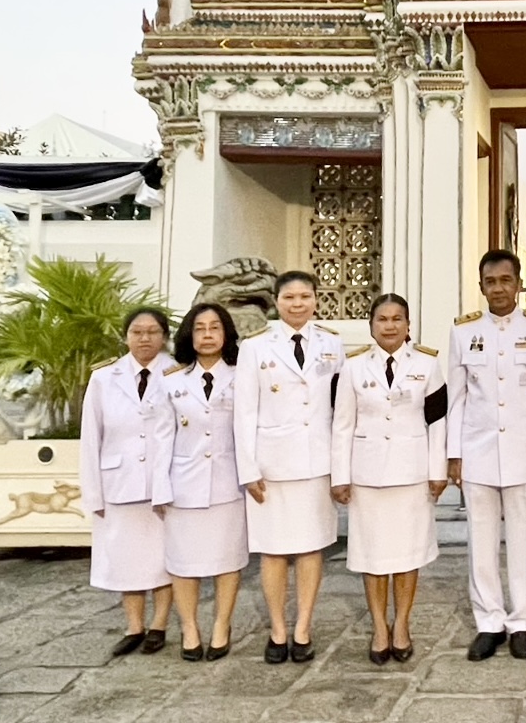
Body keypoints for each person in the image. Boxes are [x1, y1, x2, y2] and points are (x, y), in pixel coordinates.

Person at [234, 270, 346, 664]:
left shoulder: (333, 343)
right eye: (289, 298)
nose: (297, 304)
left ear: (316, 299)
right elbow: (244, 411)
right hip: (272, 465)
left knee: (312, 548)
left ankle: (303, 628)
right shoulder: (256, 346)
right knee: (274, 552)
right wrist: (247, 468)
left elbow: (341, 409)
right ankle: (278, 629)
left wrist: (342, 467)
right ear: (276, 302)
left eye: (305, 297)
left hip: (318, 462)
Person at [447, 250, 526, 662]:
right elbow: (456, 398)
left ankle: (522, 621)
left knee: (525, 537)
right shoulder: (463, 332)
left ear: (518, 284)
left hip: (525, 450)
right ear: (481, 287)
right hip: (477, 450)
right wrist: (452, 453)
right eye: (490, 282)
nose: (498, 289)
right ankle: (489, 620)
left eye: (505, 280)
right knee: (481, 539)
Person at [331, 293, 448, 664]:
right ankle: (380, 627)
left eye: (398, 319)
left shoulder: (428, 364)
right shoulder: (352, 367)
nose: (390, 326)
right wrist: (340, 475)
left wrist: (438, 471)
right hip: (367, 475)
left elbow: (438, 422)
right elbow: (342, 425)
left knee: (407, 553)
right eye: (383, 319)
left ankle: (402, 625)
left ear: (409, 325)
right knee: (373, 556)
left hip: (411, 473)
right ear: (371, 325)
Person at [79, 306, 176, 656]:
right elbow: (91, 436)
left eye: (152, 332)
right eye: (137, 332)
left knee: (164, 557)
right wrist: (93, 494)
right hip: (118, 481)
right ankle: (134, 626)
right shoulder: (105, 378)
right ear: (126, 336)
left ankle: (160, 624)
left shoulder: (178, 373)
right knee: (126, 558)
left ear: (164, 336)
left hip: (163, 484)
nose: (145, 338)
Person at [159, 303, 249, 661]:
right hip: (183, 483)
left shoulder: (243, 376)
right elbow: (162, 437)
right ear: (189, 335)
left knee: (227, 560)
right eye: (200, 328)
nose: (208, 334)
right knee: (184, 562)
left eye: (215, 327)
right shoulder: (172, 381)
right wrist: (160, 486)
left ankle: (220, 626)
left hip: (229, 483)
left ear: (226, 334)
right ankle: (190, 627)